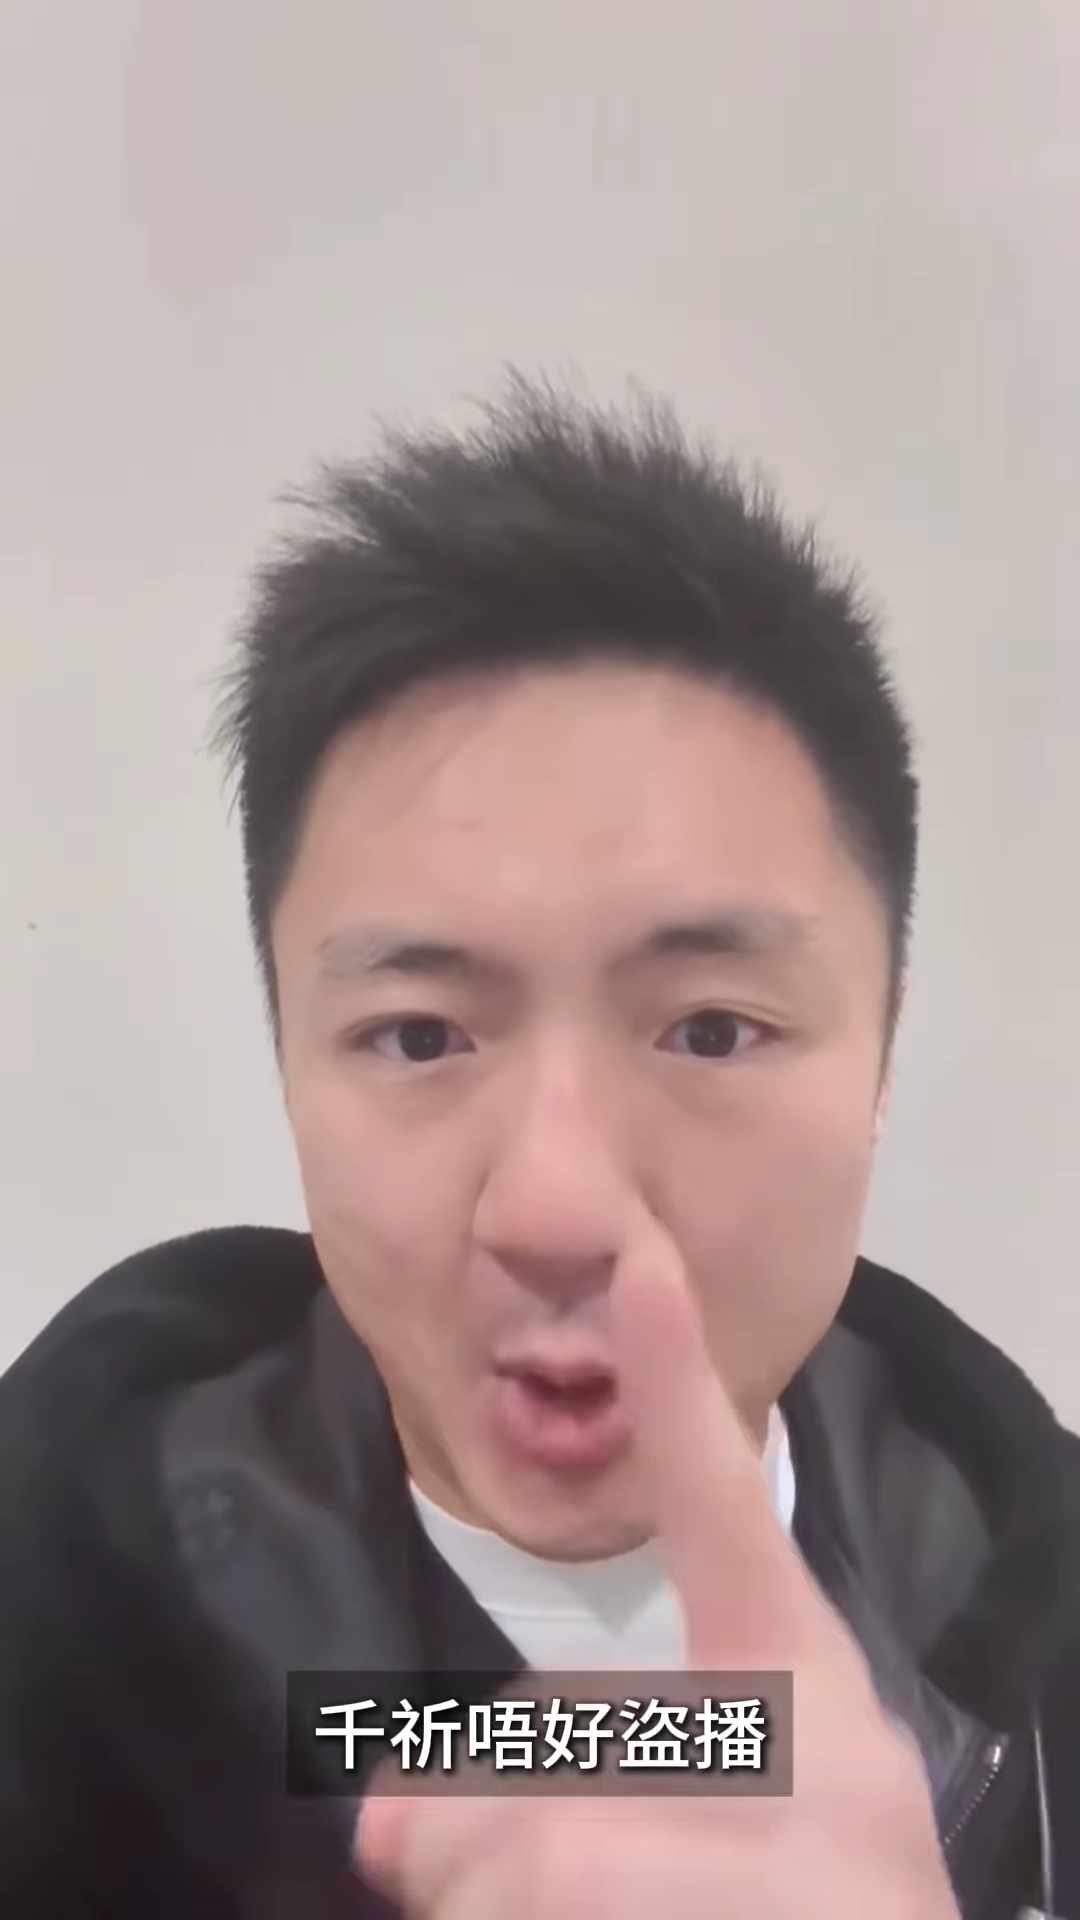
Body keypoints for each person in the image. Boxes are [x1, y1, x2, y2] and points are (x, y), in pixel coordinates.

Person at [1, 378, 1077, 1920]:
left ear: (886, 1050)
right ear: (286, 1052)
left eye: (711, 1029)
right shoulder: (53, 1637)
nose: (559, 1206)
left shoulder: (1039, 1635)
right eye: (420, 1037)